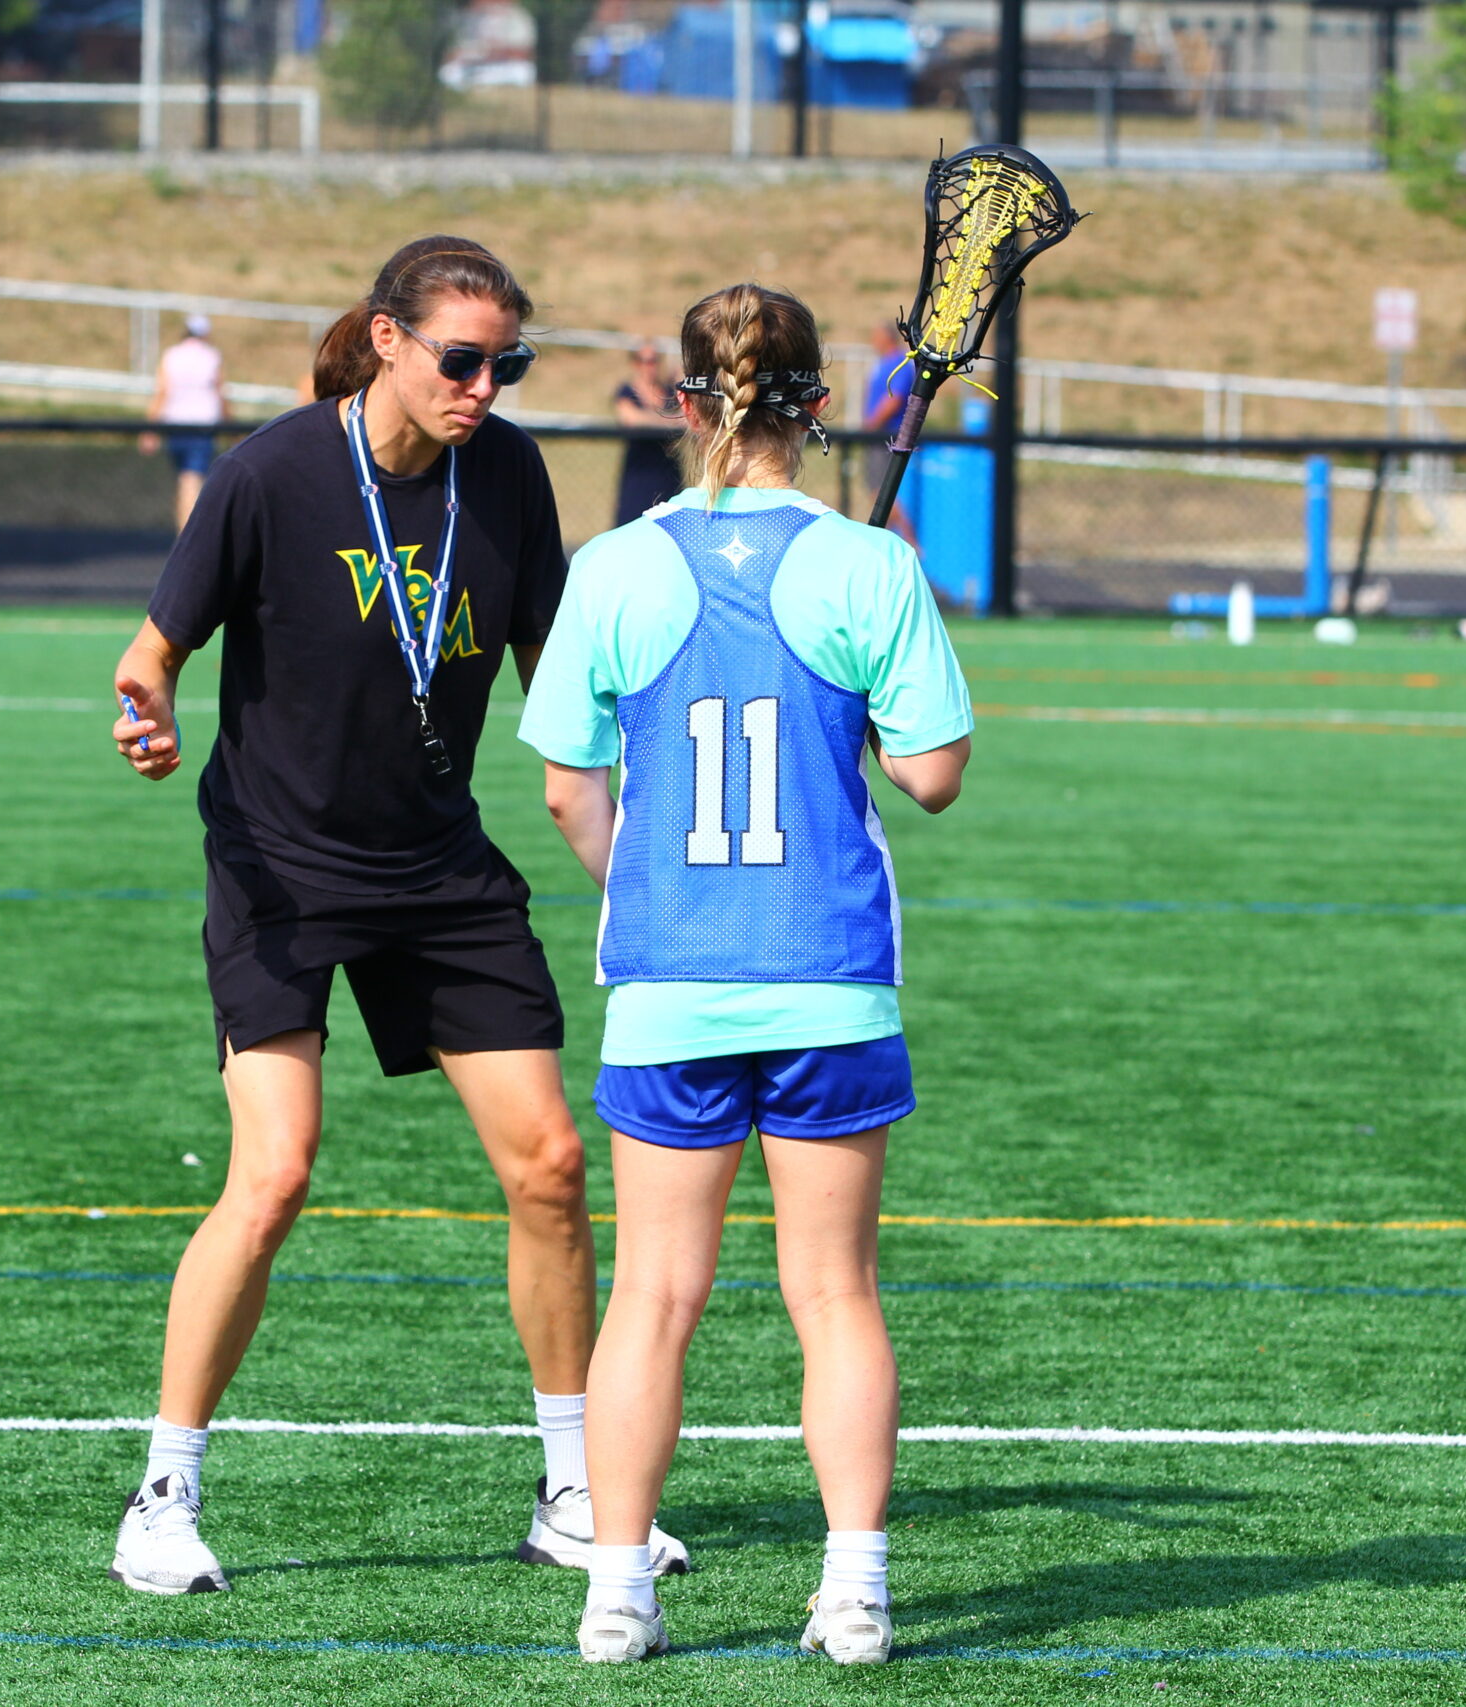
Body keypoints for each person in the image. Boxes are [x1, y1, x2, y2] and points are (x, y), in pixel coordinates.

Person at [105, 235, 689, 1599]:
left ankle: (573, 1489)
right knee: (275, 1173)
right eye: (462, 361)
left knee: (551, 1163)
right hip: (280, 865)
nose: (484, 388)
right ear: (387, 339)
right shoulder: (271, 473)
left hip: (437, 865)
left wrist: (655, 772)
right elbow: (153, 650)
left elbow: (558, 675)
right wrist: (148, 711)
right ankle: (163, 1494)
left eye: (507, 366)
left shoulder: (511, 475)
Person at [519, 283, 973, 1665]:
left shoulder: (613, 565)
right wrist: (872, 699)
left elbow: (568, 790)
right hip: (826, 973)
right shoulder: (869, 565)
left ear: (681, 399)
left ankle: (617, 1591)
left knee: (652, 1296)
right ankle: (855, 1591)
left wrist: (648, 888)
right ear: (816, 404)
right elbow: (932, 775)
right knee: (834, 1294)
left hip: (671, 981)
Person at [141, 313, 228, 533]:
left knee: (185, 479)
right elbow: (220, 393)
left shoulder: (172, 355)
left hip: (175, 423)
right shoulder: (211, 356)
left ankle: (185, 530)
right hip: (202, 425)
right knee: (191, 479)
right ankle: (188, 533)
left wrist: (150, 429)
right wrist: (230, 423)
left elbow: (162, 392)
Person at [610, 340, 679, 527]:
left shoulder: (669, 392)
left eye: (654, 360)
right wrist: (668, 420)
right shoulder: (627, 391)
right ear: (635, 363)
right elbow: (630, 418)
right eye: (644, 360)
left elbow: (688, 418)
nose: (650, 366)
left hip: (668, 473)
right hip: (638, 472)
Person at [863, 319, 916, 544]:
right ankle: (886, 538)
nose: (873, 341)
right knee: (877, 490)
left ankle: (911, 541)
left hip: (886, 435)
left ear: (887, 338)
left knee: (881, 491)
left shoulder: (899, 364)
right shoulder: (883, 364)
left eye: (876, 336)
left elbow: (893, 400)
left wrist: (872, 425)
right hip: (877, 435)